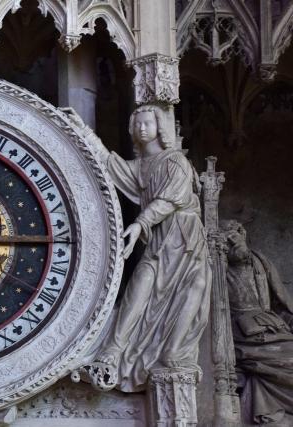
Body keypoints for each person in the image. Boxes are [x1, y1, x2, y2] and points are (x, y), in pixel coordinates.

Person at [89, 104, 212, 392]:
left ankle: (173, 352)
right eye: (137, 124)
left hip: (185, 236)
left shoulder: (175, 161)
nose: (142, 128)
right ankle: (114, 349)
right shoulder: (140, 167)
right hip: (159, 238)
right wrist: (81, 131)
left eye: (148, 122)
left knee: (194, 287)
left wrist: (139, 223)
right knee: (141, 285)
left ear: (160, 127)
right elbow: (109, 163)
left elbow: (171, 199)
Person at [222, 220, 293, 424]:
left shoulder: (260, 260)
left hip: (275, 330)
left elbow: (282, 305)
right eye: (229, 235)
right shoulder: (217, 268)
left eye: (238, 233)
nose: (235, 239)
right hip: (245, 337)